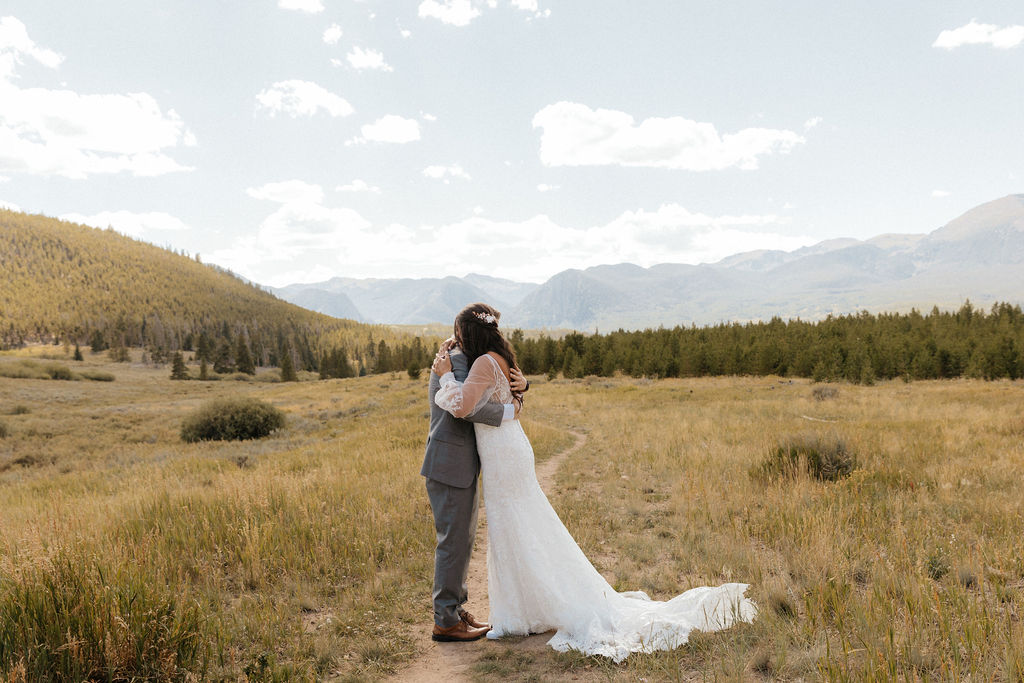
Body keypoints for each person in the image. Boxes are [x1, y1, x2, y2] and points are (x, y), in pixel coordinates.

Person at [431, 302, 756, 662]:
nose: (456, 338)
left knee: (518, 527)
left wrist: (446, 377)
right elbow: (502, 396)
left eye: (460, 332)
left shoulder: (480, 362)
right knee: (521, 527)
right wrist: (514, 405)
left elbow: (462, 406)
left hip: (503, 456)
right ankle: (525, 607)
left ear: (471, 334)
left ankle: (524, 610)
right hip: (507, 450)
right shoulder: (499, 357)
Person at [422, 318, 529, 642]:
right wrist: (510, 411)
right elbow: (468, 408)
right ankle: (445, 621)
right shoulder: (454, 362)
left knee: (461, 541)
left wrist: (524, 387)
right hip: (449, 464)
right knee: (453, 544)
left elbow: (493, 384)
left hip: (457, 463)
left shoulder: (460, 357)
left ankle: (454, 611)